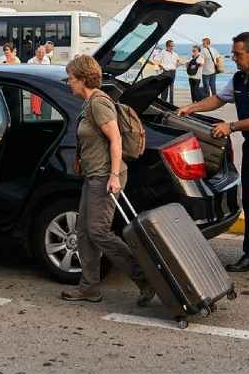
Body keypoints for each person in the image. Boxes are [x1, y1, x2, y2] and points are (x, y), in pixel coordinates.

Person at [176, 31, 249, 280]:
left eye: (238, 55)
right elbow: (219, 99)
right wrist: (191, 108)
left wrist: (231, 126)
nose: (234, 59)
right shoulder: (240, 77)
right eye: (234, 54)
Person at [60, 54, 156, 306]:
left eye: (71, 79)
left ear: (83, 79)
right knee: (83, 232)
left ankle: (144, 277)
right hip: (94, 175)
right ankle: (89, 287)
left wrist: (113, 176)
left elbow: (116, 140)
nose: (68, 83)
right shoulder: (88, 103)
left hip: (105, 176)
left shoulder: (99, 103)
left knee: (98, 232)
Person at [151, 40, 179, 104]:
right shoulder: (162, 52)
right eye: (171, 46)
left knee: (171, 88)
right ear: (167, 46)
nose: (172, 47)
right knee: (164, 88)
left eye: (173, 46)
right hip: (166, 72)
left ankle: (171, 103)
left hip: (173, 72)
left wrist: (177, 65)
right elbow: (156, 60)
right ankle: (163, 102)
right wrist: (161, 66)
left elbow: (177, 61)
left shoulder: (175, 54)